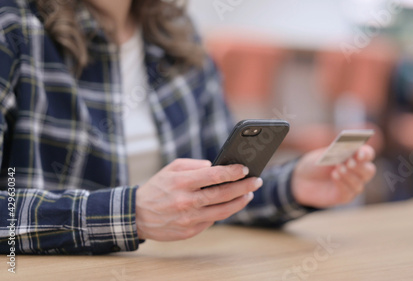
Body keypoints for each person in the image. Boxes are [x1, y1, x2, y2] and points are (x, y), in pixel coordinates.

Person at [0, 0, 376, 254]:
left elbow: (213, 190)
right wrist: (132, 214)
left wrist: (295, 186)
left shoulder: (179, 35)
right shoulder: (13, 28)